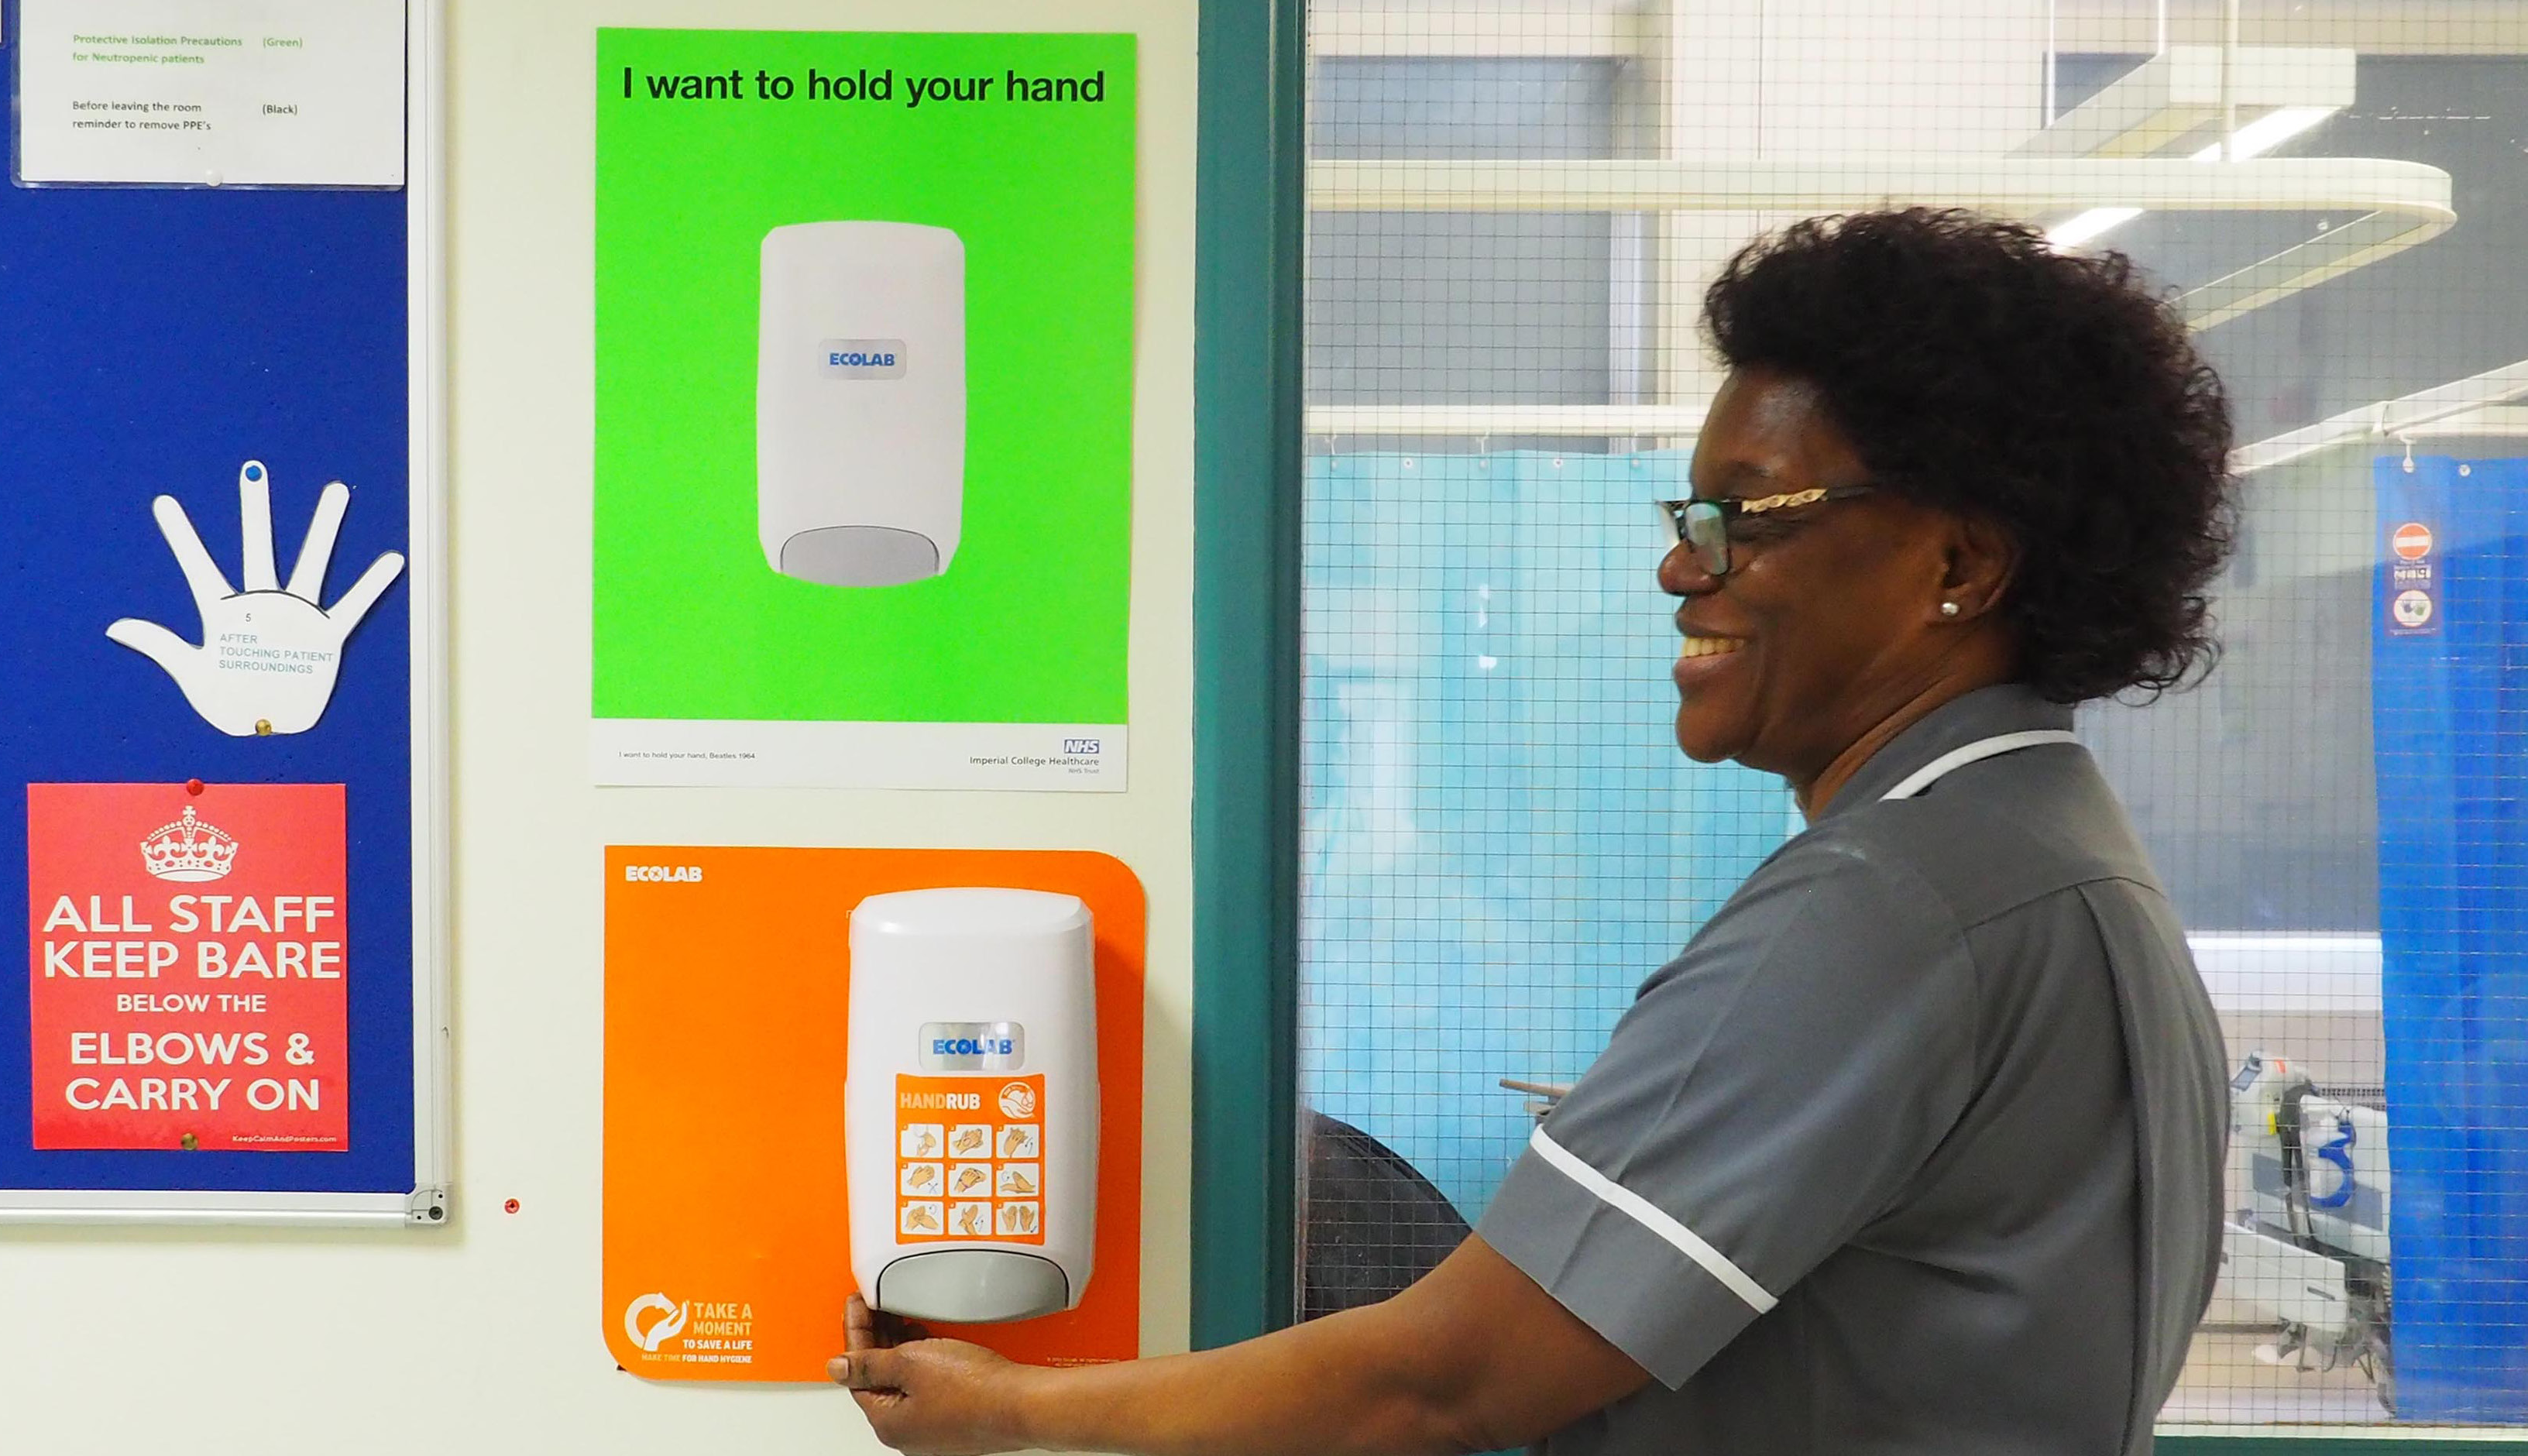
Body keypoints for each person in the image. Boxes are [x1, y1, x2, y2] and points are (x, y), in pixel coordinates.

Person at [828, 207, 2236, 1456]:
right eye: (1692, 514)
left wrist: (1007, 1414)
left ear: (1958, 564)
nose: (1682, 565)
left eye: (1746, 517)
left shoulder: (1888, 905)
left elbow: (1446, 1381)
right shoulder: (2061, 861)